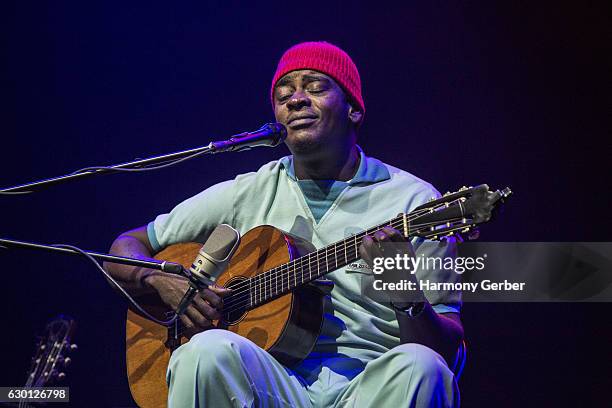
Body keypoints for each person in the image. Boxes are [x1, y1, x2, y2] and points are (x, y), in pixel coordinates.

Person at [106, 41, 464, 407]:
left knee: (423, 366)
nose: (295, 99)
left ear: (353, 109)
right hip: (271, 386)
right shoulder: (247, 192)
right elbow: (125, 248)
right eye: (284, 94)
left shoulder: (415, 201)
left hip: (372, 388)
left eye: (315, 87)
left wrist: (407, 296)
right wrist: (159, 278)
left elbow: (447, 352)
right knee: (205, 350)